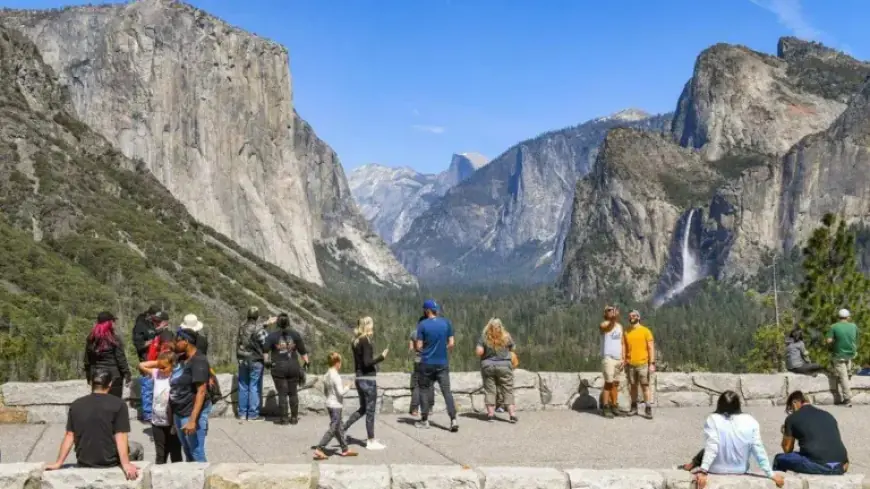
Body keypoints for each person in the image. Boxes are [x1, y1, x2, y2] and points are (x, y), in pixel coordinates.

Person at [45, 369, 143, 479]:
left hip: (84, 462)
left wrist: (58, 463)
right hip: (110, 463)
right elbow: (120, 436)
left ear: (91, 383)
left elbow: (70, 435)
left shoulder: (76, 404)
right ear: (110, 384)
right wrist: (125, 464)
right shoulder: (119, 404)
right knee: (137, 447)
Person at [678, 391, 784, 489]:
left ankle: (689, 466)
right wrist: (770, 474)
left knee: (706, 450)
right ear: (738, 405)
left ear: (719, 404)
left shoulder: (713, 419)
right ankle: (690, 465)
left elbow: (712, 446)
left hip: (716, 469)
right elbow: (758, 449)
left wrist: (703, 471)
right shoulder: (751, 421)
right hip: (740, 469)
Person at [772, 391, 849, 475]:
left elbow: (787, 449)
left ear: (794, 402)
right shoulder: (828, 415)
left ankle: (778, 481)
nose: (792, 411)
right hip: (842, 465)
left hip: (819, 465)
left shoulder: (792, 418)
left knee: (779, 459)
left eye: (791, 408)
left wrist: (787, 432)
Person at [343, 317, 389, 450]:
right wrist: (381, 357)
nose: (373, 328)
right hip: (368, 380)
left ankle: (341, 429)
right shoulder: (365, 341)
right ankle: (371, 441)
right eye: (372, 326)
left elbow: (360, 363)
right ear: (367, 326)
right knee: (370, 411)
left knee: (363, 409)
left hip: (359, 378)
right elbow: (367, 363)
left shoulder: (355, 341)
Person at [415, 299, 459, 432]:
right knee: (447, 391)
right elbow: (451, 343)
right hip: (442, 363)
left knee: (424, 390)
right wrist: (442, 348)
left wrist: (424, 349)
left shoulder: (422, 325)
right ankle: (453, 419)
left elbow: (419, 346)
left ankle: (425, 420)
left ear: (427, 311)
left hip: (427, 362)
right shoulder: (446, 323)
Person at [170, 329, 211, 462]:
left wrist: (193, 420)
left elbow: (201, 391)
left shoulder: (199, 361)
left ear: (186, 341)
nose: (175, 343)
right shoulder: (182, 358)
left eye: (177, 341)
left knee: (196, 452)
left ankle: (202, 474)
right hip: (180, 411)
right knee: (187, 450)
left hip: (190, 412)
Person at [264, 313, 309, 425]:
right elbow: (303, 352)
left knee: (282, 393)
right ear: (288, 322)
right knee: (293, 393)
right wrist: (307, 364)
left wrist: (267, 362)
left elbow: (265, 352)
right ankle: (294, 418)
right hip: (293, 366)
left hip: (279, 367)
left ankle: (284, 419)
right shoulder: (295, 334)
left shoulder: (272, 336)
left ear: (277, 323)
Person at [138, 350, 182, 464]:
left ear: (172, 365)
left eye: (164, 367)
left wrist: (164, 362)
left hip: (172, 424)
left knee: (175, 453)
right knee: (160, 454)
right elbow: (141, 365)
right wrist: (158, 363)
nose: (161, 369)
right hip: (157, 422)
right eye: (159, 367)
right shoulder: (156, 373)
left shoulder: (176, 377)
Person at [313, 353, 358, 460]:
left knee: (339, 427)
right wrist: (348, 386)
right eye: (340, 362)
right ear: (337, 363)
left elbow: (325, 391)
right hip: (336, 405)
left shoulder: (326, 375)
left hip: (330, 403)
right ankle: (319, 448)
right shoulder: (336, 376)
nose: (341, 364)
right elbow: (341, 393)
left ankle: (345, 449)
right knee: (334, 428)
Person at [236, 306, 276, 421]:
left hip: (242, 360)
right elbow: (266, 344)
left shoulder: (242, 327)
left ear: (248, 315)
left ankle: (242, 413)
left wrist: (267, 323)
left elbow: (253, 329)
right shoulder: (260, 330)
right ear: (257, 317)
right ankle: (253, 414)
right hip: (255, 361)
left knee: (243, 386)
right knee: (254, 386)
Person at [475, 318, 517, 423]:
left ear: (488, 326)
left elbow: (479, 352)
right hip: (504, 366)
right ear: (501, 326)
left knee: (490, 390)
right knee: (508, 389)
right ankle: (512, 415)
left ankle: (491, 415)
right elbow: (513, 348)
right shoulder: (506, 336)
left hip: (488, 366)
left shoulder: (484, 337)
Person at [84, 311, 131, 399]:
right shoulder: (114, 339)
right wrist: (127, 375)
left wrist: (89, 376)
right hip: (114, 376)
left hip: (96, 375)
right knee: (114, 402)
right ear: (109, 323)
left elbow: (87, 360)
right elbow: (121, 359)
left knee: (98, 402)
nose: (114, 324)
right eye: (113, 321)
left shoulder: (91, 339)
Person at [623, 310, 655, 419]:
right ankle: (634, 408)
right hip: (631, 364)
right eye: (630, 316)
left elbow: (651, 348)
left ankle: (648, 408)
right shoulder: (626, 332)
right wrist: (624, 360)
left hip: (643, 364)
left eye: (634, 315)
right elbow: (624, 348)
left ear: (638, 317)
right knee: (633, 387)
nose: (631, 317)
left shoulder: (646, 331)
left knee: (645, 386)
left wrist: (652, 363)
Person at [132, 306, 159, 422]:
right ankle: (147, 414)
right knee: (147, 386)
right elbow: (139, 345)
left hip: (157, 360)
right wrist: (154, 342)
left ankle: (156, 411)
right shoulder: (140, 325)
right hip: (146, 360)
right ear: (149, 314)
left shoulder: (153, 324)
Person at [599, 305, 625, 419]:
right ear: (605, 313)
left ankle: (614, 405)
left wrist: (623, 358)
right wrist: (613, 319)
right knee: (608, 382)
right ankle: (605, 406)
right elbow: (608, 328)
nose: (612, 311)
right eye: (609, 310)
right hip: (608, 358)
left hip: (618, 358)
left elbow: (622, 343)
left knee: (616, 383)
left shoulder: (620, 326)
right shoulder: (603, 324)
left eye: (613, 309)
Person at [827, 309, 858, 406]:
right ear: (848, 317)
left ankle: (847, 399)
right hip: (851, 354)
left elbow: (828, 340)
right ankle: (847, 393)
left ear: (839, 317)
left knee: (843, 377)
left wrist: (835, 340)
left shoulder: (834, 326)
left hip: (839, 355)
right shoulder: (854, 326)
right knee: (847, 375)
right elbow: (855, 339)